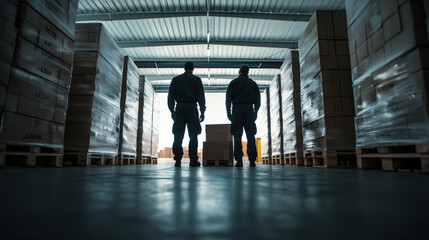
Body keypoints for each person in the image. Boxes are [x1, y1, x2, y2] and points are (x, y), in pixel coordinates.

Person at [168, 62, 206, 167]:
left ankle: (178, 160)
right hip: (192, 108)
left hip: (179, 108)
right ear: (193, 68)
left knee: (178, 135)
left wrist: (172, 111)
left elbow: (170, 97)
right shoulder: (197, 80)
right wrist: (202, 111)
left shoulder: (175, 79)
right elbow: (201, 96)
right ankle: (193, 160)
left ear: (184, 68)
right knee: (193, 135)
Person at [226, 64, 260, 167]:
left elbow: (228, 99)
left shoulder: (233, 83)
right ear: (248, 72)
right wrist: (255, 112)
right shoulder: (253, 84)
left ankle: (239, 160)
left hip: (237, 109)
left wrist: (229, 112)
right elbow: (258, 100)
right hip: (249, 109)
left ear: (239, 72)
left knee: (237, 136)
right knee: (250, 135)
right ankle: (252, 160)